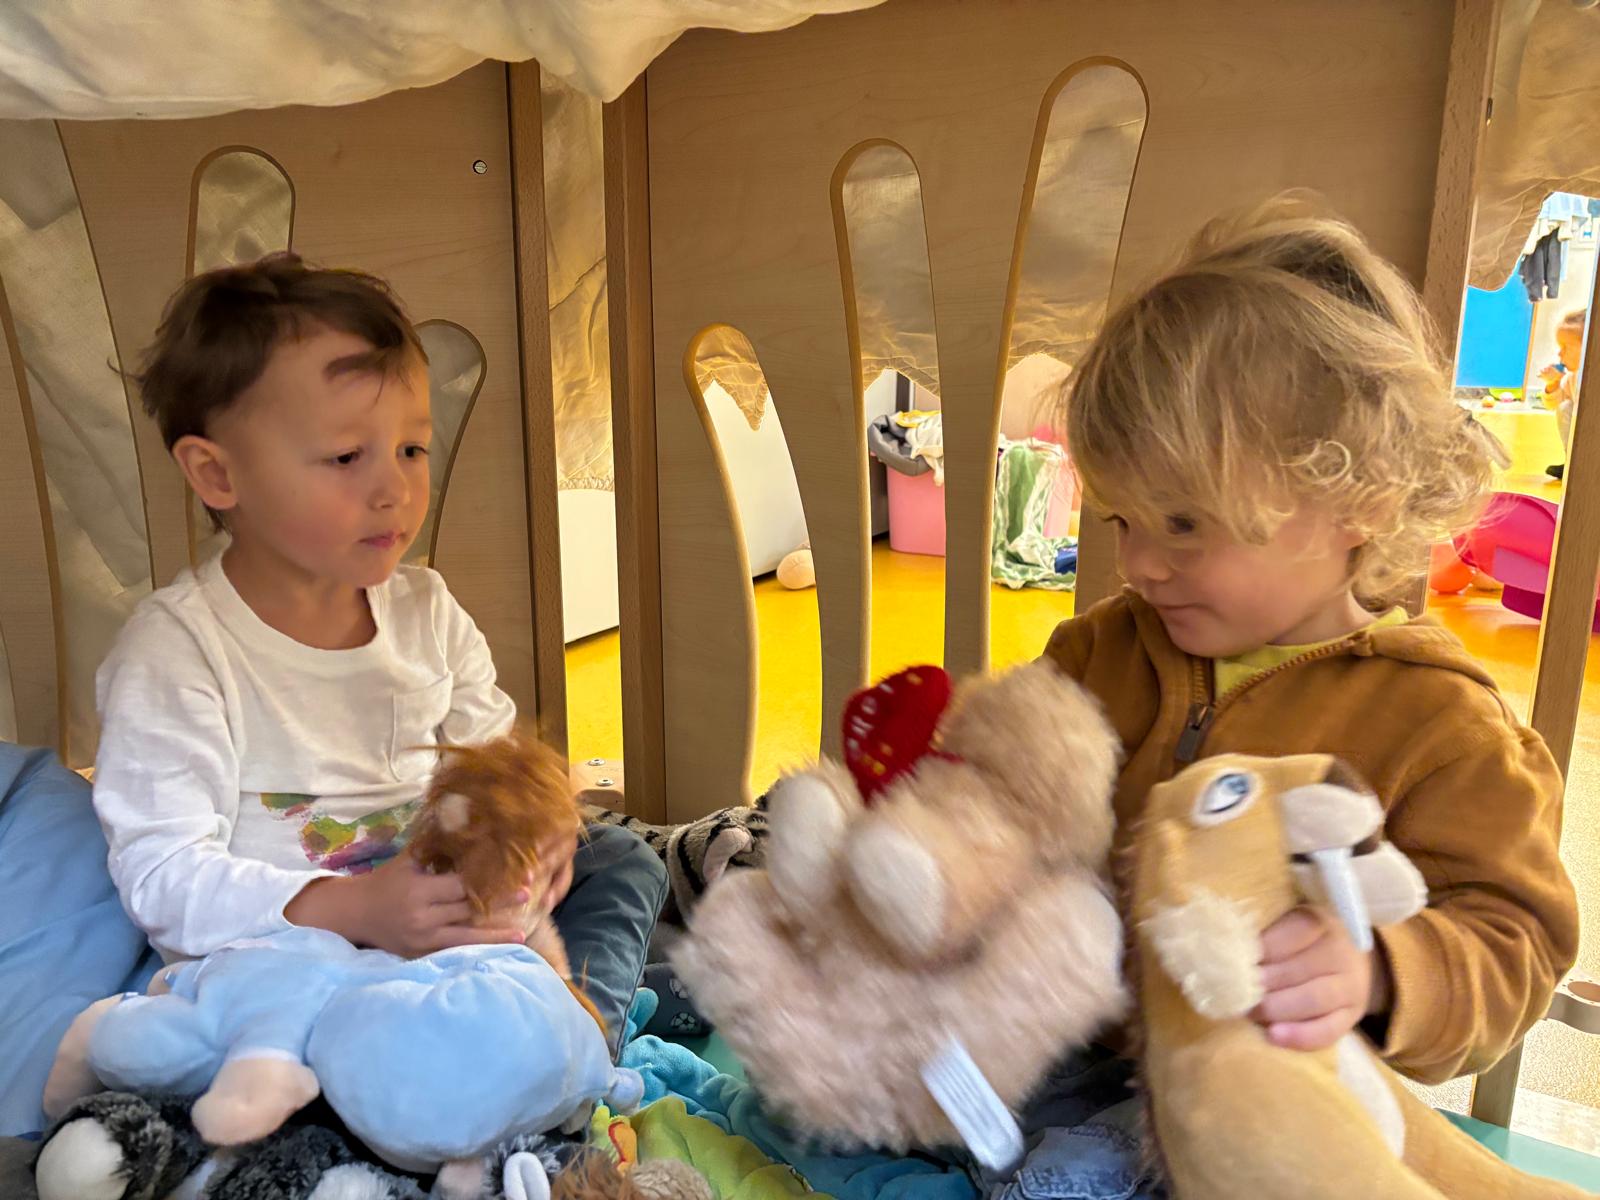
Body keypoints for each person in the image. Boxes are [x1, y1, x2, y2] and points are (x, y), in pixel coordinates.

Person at [992, 196, 1579, 1200]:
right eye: (1123, 519)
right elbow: (1002, 807)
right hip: (1066, 1071)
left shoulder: (1441, 724)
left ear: (1362, 503)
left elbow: (1515, 941)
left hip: (1273, 1122)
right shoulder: (1096, 653)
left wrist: (1384, 970)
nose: (1139, 565)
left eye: (1184, 524)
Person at [91, 254, 665, 1056]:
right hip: (305, 952)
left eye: (412, 450)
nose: (394, 489)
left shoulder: (426, 609)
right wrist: (356, 911)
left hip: (451, 914)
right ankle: (503, 1054)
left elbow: (497, 766)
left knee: (623, 859)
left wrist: (542, 838)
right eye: (346, 457)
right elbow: (165, 879)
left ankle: (576, 1037)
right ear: (217, 474)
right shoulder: (177, 651)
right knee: (258, 998)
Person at [1542, 308, 1587, 480]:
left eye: (1566, 347)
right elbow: (1552, 404)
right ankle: (1573, 461)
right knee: (1565, 408)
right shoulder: (1572, 378)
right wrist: (1553, 383)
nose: (1559, 353)